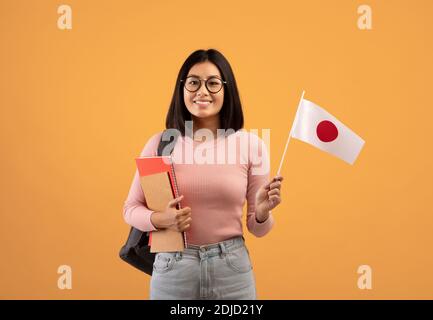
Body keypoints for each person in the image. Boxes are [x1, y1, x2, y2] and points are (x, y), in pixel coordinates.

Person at [123, 48, 284, 300]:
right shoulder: (162, 144)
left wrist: (263, 214)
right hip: (173, 270)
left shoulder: (252, 146)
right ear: (182, 89)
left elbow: (258, 229)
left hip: (232, 272)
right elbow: (131, 209)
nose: (202, 91)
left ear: (226, 90)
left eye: (213, 83)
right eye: (194, 82)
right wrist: (161, 220)